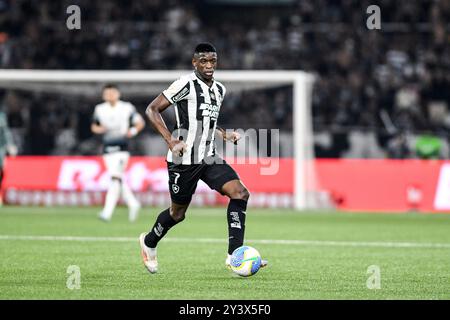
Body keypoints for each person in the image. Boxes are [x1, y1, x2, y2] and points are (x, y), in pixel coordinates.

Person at [139, 43, 267, 274]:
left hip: (208, 157)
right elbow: (152, 109)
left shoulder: (219, 89)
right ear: (194, 62)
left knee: (240, 193)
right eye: (204, 61)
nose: (209, 66)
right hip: (183, 161)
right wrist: (171, 141)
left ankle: (234, 256)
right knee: (177, 214)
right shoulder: (185, 84)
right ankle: (149, 242)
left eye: (212, 61)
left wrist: (224, 134)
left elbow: (206, 119)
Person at [91, 84, 145, 222]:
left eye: (112, 93)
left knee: (115, 178)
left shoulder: (127, 107)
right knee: (118, 179)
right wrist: (100, 129)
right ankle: (133, 203)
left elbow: (140, 123)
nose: (110, 95)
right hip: (107, 149)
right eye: (107, 93)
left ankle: (107, 212)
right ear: (104, 95)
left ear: (118, 94)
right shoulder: (100, 109)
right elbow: (94, 126)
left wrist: (131, 132)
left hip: (122, 149)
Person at [0, 103, 17, 206]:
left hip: (0, 150)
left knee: (2, 171)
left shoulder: (1, 116)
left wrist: (10, 145)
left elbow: (6, 132)